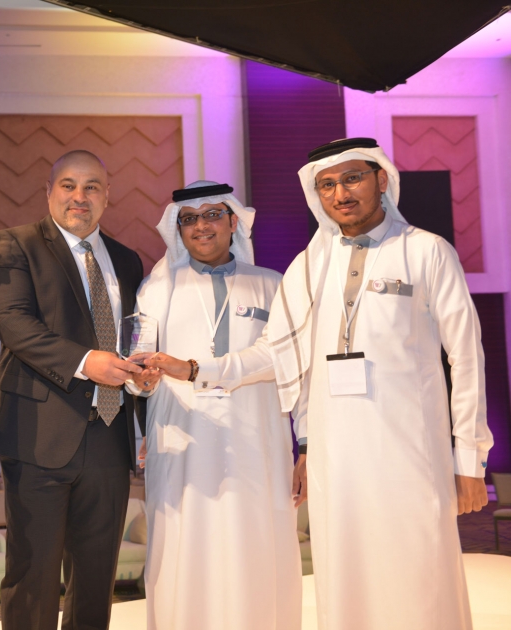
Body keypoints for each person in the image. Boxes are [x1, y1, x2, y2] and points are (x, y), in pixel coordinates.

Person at [177, 138, 493, 629]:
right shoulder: (307, 266)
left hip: (410, 450)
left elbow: (466, 356)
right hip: (335, 455)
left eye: (352, 178)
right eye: (327, 185)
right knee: (345, 576)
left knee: (419, 570)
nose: (340, 193)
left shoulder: (426, 251)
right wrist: (197, 369)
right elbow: (276, 354)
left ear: (381, 180)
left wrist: (470, 458)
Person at [0, 149, 145, 630]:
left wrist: (143, 373)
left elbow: (135, 336)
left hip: (111, 433)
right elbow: (13, 323)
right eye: (68, 185)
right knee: (33, 574)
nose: (80, 196)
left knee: (96, 576)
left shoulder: (127, 260)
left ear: (107, 195)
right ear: (49, 192)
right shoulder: (15, 244)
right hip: (38, 434)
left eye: (92, 187)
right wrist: (87, 362)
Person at [130, 181, 301, 629]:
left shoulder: (272, 285)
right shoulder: (156, 288)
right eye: (189, 219)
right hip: (183, 440)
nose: (201, 226)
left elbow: (280, 359)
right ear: (177, 228)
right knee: (185, 548)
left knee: (257, 544)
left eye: (212, 215)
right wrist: (141, 380)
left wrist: (194, 369)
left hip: (257, 440)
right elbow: (138, 362)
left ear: (233, 222)